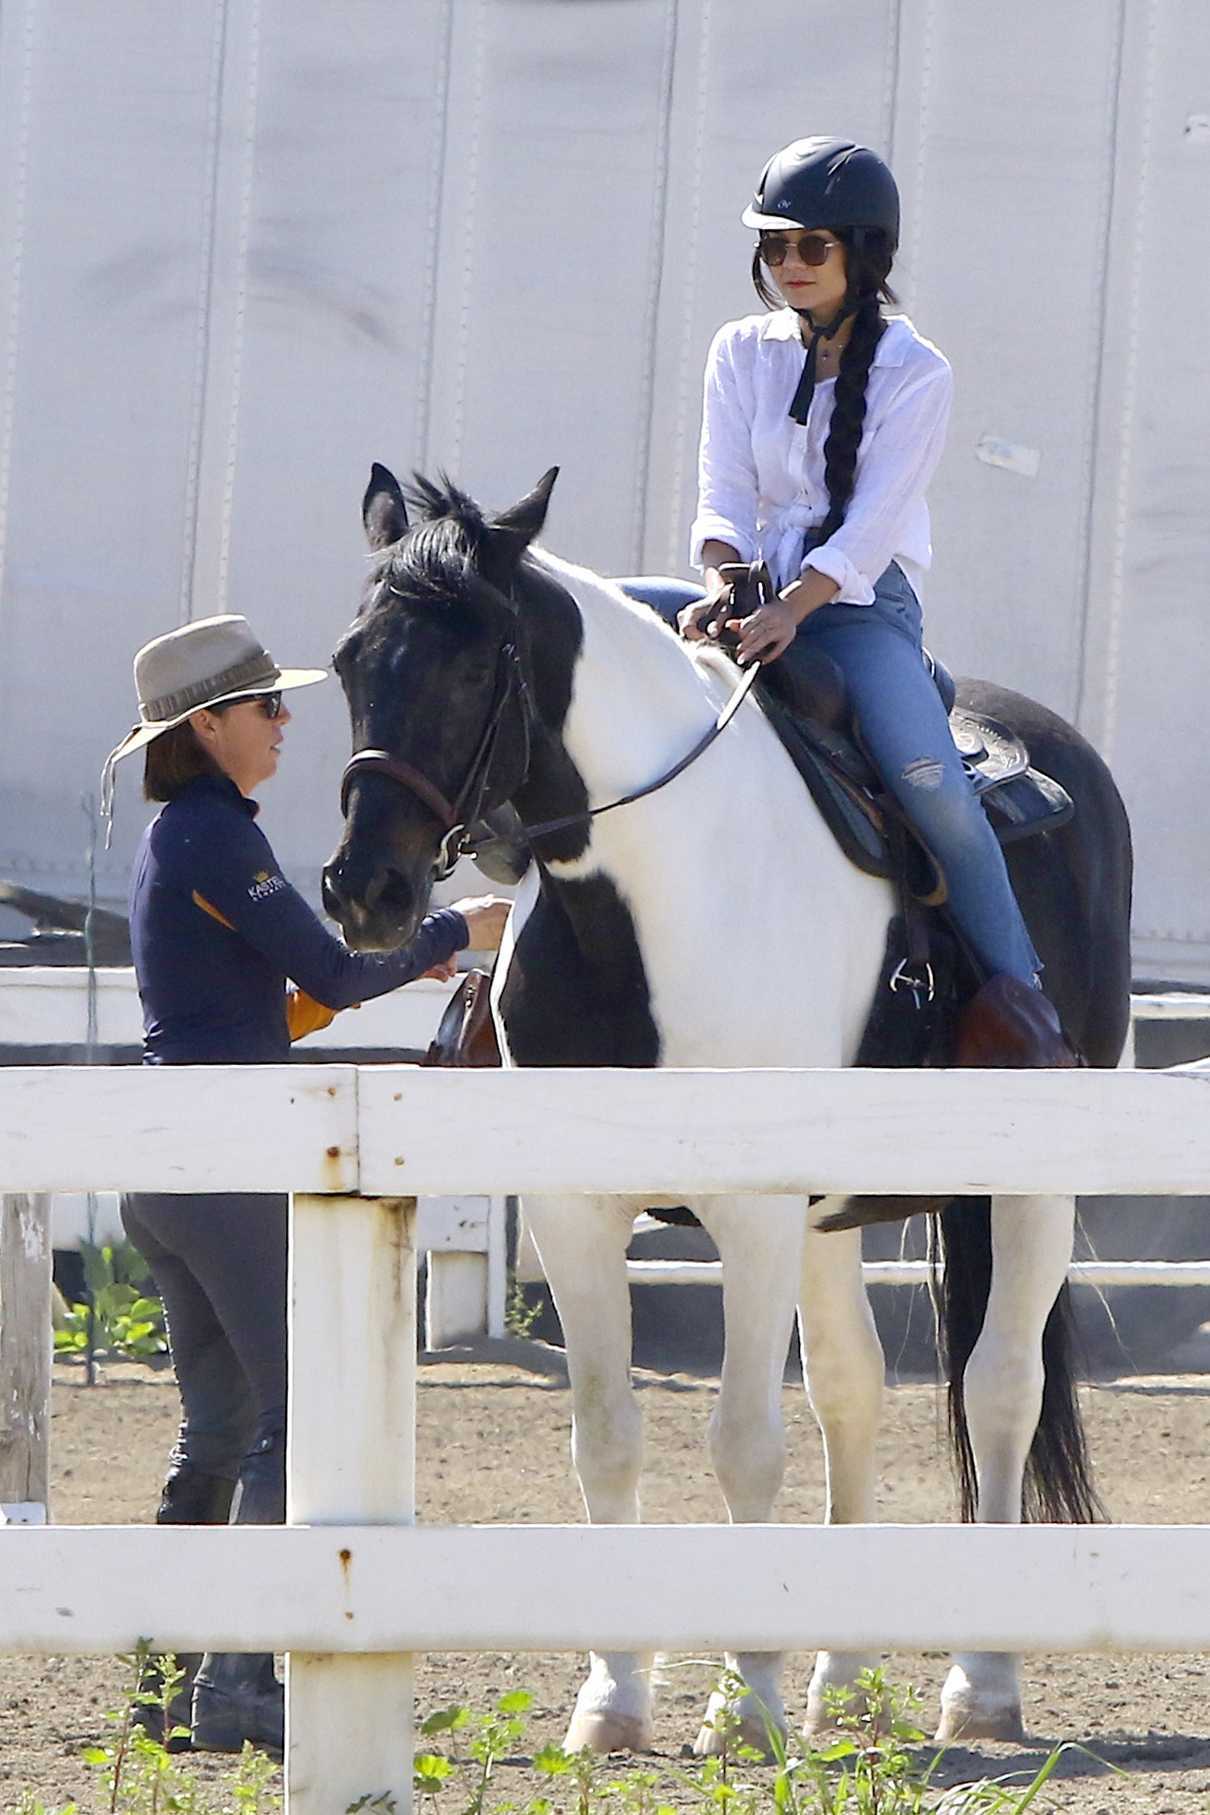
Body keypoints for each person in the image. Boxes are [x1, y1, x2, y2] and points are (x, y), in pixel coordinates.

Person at [102, 613, 509, 1753]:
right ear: (211, 725)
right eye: (266, 707)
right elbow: (331, 965)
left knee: (217, 1431)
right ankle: (239, 1679)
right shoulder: (217, 839)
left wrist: (343, 995)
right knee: (299, 1417)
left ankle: (168, 1683)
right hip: (227, 1163)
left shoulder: (185, 838)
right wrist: (451, 933)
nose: (287, 722)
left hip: (173, 1163)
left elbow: (266, 1012)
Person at [619, 135, 1075, 1069]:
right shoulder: (737, 350)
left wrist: (794, 609)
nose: (787, 264)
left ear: (862, 256)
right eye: (774, 247)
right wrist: (722, 583)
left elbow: (870, 530)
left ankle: (1027, 1015)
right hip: (751, 590)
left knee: (929, 785)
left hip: (859, 608)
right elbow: (720, 492)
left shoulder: (919, 373)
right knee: (596, 625)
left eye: (810, 247)